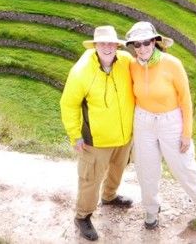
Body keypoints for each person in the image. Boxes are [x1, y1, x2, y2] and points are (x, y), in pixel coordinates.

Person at [125, 21, 196, 230]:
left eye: (146, 42)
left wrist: (187, 133)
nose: (142, 48)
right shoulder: (132, 65)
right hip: (143, 120)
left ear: (154, 42)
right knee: (146, 168)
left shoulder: (172, 64)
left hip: (170, 120)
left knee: (183, 164)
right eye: (137, 44)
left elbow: (185, 100)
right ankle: (151, 209)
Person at [60, 25, 135, 241]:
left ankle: (110, 197)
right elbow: (69, 104)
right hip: (96, 140)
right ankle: (82, 216)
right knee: (90, 179)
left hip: (123, 136)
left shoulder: (125, 62)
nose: (108, 47)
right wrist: (75, 134)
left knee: (118, 170)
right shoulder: (81, 71)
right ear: (95, 46)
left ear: (117, 45)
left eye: (111, 43)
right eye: (103, 43)